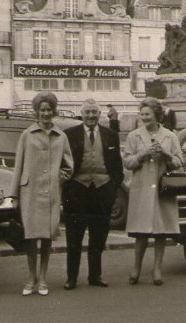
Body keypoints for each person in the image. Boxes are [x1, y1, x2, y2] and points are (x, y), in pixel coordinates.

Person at [8, 92, 73, 297]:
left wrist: (60, 177)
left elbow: (69, 166)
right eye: (42, 110)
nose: (46, 113)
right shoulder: (27, 135)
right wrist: (14, 195)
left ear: (54, 112)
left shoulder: (61, 136)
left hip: (51, 192)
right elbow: (18, 165)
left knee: (46, 237)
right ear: (36, 112)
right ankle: (31, 278)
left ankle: (43, 278)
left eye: (49, 110)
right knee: (30, 237)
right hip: (30, 191)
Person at [62, 99, 125, 290]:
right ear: (81, 114)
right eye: (87, 112)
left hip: (102, 189)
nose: (91, 116)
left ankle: (95, 276)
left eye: (94, 112)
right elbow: (63, 163)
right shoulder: (70, 134)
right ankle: (71, 278)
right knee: (74, 237)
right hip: (77, 190)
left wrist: (112, 188)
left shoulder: (111, 135)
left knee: (98, 237)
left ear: (100, 114)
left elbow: (117, 166)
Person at [122, 97, 184, 286]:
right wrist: (143, 154)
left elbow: (179, 163)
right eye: (142, 114)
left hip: (162, 188)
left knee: (160, 231)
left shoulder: (170, 136)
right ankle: (136, 268)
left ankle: (157, 269)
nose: (144, 118)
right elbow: (127, 162)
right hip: (142, 188)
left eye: (148, 114)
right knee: (141, 232)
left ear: (156, 115)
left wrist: (165, 155)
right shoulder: (134, 136)